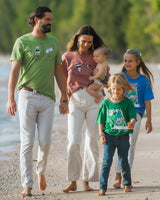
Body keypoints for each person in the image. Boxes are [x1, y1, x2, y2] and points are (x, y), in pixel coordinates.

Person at [7, 6, 68, 197]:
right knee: (27, 142)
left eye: (51, 20)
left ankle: (40, 171)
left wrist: (64, 97)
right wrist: (10, 98)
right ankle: (27, 185)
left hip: (48, 98)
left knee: (45, 142)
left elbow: (59, 71)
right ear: (36, 19)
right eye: (47, 19)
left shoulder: (54, 42)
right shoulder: (22, 41)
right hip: (27, 96)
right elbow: (15, 71)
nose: (50, 23)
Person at [61, 25, 110, 193]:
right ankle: (72, 180)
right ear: (77, 39)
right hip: (74, 99)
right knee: (73, 141)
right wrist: (63, 99)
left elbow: (107, 81)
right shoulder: (67, 56)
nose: (86, 45)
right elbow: (62, 79)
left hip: (94, 100)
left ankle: (87, 180)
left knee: (92, 140)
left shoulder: (97, 57)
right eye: (83, 41)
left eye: (90, 42)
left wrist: (101, 78)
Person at [113, 49, 154, 189]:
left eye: (130, 61)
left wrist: (149, 120)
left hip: (135, 115)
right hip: (119, 114)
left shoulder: (143, 80)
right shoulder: (121, 77)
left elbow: (147, 101)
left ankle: (126, 178)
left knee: (130, 145)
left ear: (138, 62)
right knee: (119, 144)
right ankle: (117, 177)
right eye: (125, 60)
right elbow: (113, 95)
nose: (127, 63)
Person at [96, 73, 137, 196]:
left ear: (124, 88)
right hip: (109, 136)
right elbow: (101, 121)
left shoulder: (128, 103)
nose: (116, 91)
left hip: (123, 136)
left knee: (123, 160)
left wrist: (132, 123)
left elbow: (133, 117)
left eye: (119, 89)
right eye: (113, 89)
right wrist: (101, 134)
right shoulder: (106, 103)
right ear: (110, 88)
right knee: (107, 161)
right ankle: (103, 187)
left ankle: (127, 184)